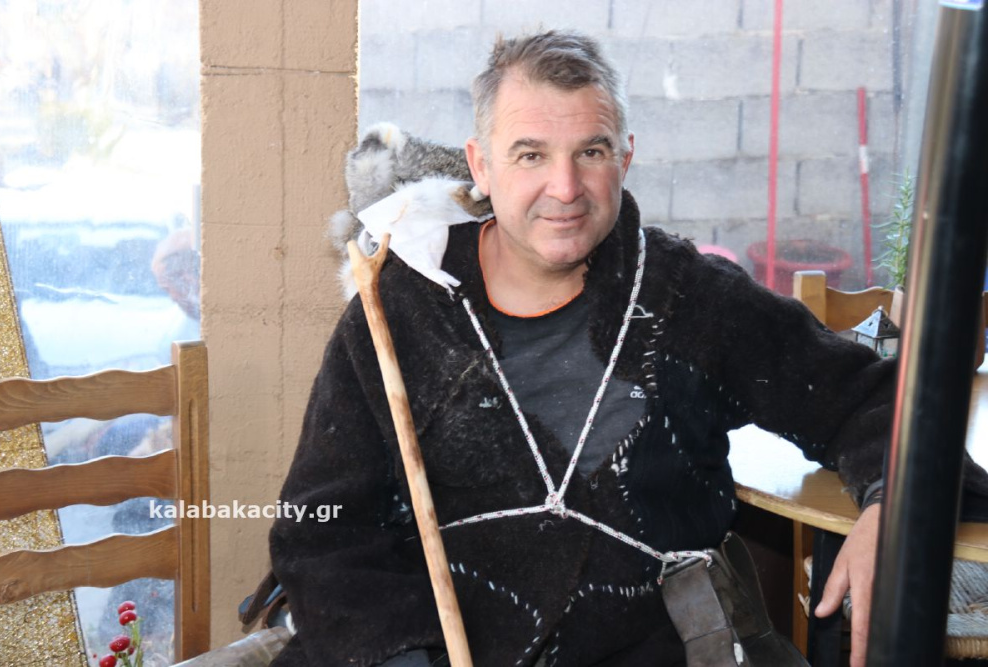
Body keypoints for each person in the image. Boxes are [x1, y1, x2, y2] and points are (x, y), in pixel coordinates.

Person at [268, 31, 897, 667]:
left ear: (625, 157)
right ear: (481, 165)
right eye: (530, 155)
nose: (565, 188)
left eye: (590, 152)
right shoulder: (399, 307)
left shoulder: (691, 298)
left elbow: (872, 401)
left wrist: (892, 506)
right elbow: (322, 527)